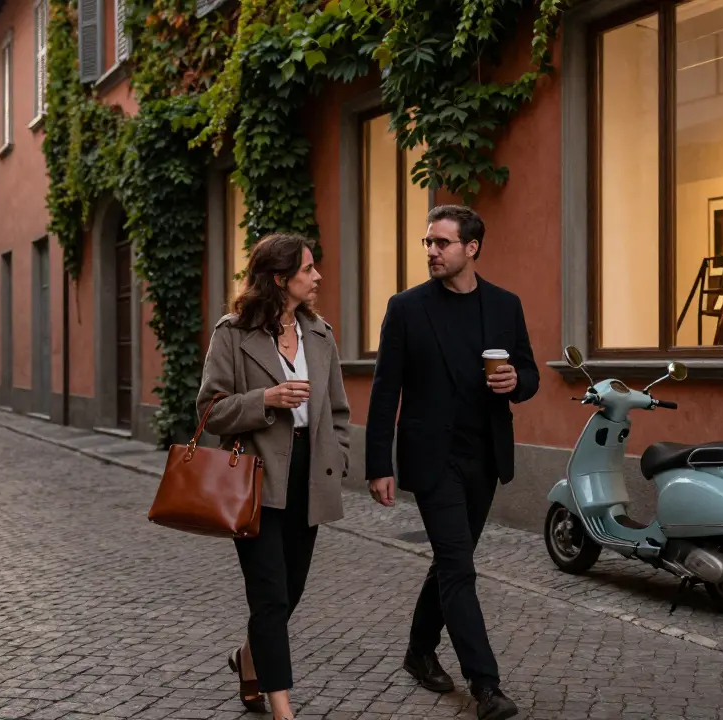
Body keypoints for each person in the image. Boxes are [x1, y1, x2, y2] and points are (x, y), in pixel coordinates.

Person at [366, 205, 538, 720]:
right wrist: (379, 463)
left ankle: (419, 652)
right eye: (428, 243)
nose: (432, 251)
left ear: (471, 248)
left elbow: (527, 370)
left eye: (442, 243)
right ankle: (486, 686)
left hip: (483, 456)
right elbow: (384, 390)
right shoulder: (407, 308)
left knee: (449, 562)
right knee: (460, 567)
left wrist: (517, 383)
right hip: (432, 459)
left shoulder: (506, 306)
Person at [195, 232, 352, 720]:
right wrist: (266, 399)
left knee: (292, 590)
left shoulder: (320, 334)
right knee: (268, 592)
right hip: (257, 476)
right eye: (308, 269)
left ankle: (247, 657)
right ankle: (283, 709)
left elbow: (338, 411)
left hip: (311, 474)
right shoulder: (233, 333)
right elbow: (210, 410)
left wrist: (338, 455)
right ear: (281, 278)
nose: (318, 276)